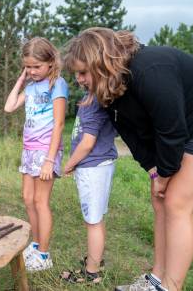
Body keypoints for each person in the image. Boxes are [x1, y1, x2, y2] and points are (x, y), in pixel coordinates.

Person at [62, 27, 193, 291]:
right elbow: (130, 132)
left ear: (101, 63)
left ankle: (170, 287)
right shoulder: (110, 86)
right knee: (160, 198)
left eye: (83, 72)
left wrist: (165, 173)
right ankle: (156, 279)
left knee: (177, 203)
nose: (79, 80)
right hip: (180, 126)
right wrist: (154, 170)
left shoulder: (150, 70)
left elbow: (171, 131)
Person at [4, 37, 69, 272]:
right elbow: (9, 107)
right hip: (29, 149)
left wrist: (49, 161)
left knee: (41, 201)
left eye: (36, 67)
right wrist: (21, 80)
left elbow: (59, 123)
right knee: (28, 198)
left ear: (51, 63)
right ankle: (35, 243)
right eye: (28, 66)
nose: (32, 71)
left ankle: (44, 254)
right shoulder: (30, 86)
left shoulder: (57, 84)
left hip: (45, 151)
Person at [60, 93, 118, 284]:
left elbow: (87, 143)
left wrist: (69, 164)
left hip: (92, 166)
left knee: (92, 220)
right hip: (99, 163)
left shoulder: (95, 100)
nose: (79, 78)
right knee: (96, 218)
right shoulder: (95, 96)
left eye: (83, 72)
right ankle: (95, 261)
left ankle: (91, 273)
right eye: (77, 73)